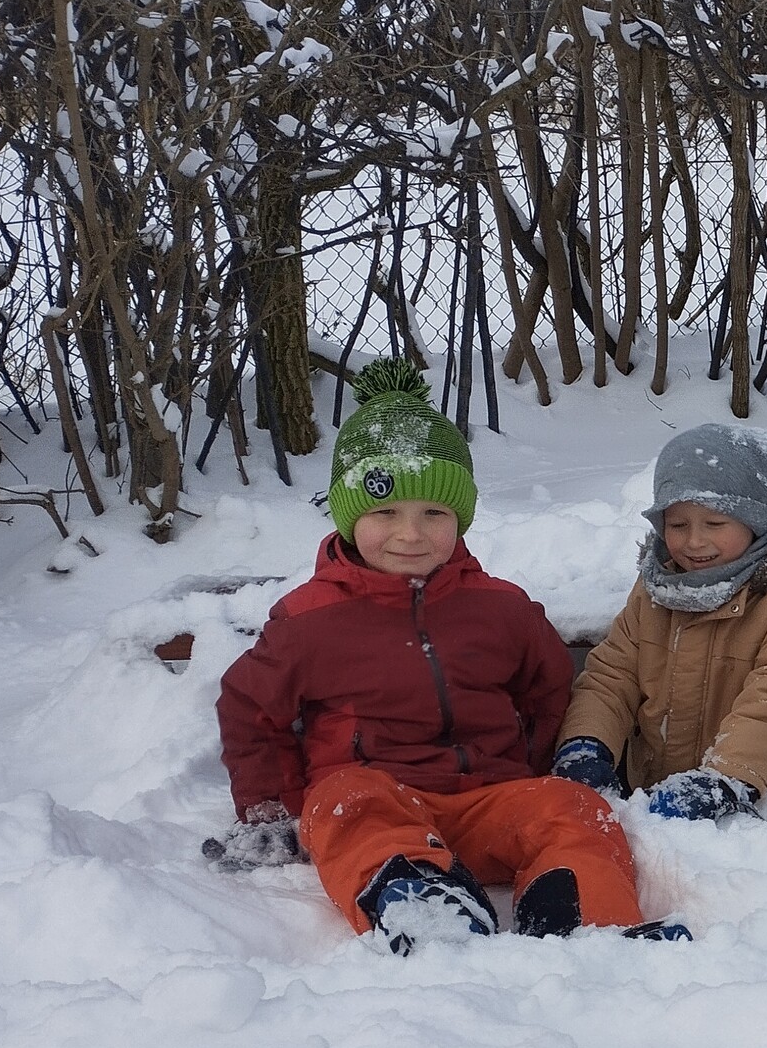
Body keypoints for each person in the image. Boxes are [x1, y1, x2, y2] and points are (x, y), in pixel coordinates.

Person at [210, 360, 678, 950]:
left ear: (461, 518)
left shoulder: (501, 608)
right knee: (344, 801)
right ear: (350, 517)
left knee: (572, 807)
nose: (410, 534)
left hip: (490, 799)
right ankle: (422, 904)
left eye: (434, 513)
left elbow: (548, 690)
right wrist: (273, 809)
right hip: (380, 797)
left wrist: (531, 767)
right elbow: (251, 709)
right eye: (385, 512)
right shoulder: (309, 620)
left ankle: (586, 921)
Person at [551, 422, 767, 822]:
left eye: (715, 523)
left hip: (743, 797)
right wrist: (586, 743)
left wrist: (727, 777)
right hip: (649, 790)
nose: (694, 541)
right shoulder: (660, 584)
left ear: (756, 520)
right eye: (678, 525)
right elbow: (613, 675)